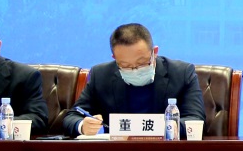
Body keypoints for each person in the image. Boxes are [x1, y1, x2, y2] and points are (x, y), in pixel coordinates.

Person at [62, 23, 204, 137]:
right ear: (115, 58)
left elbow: (195, 120)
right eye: (125, 65)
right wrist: (82, 126)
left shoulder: (181, 73)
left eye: (142, 63)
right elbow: (73, 116)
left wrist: (166, 127)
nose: (135, 70)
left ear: (154, 52)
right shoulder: (101, 75)